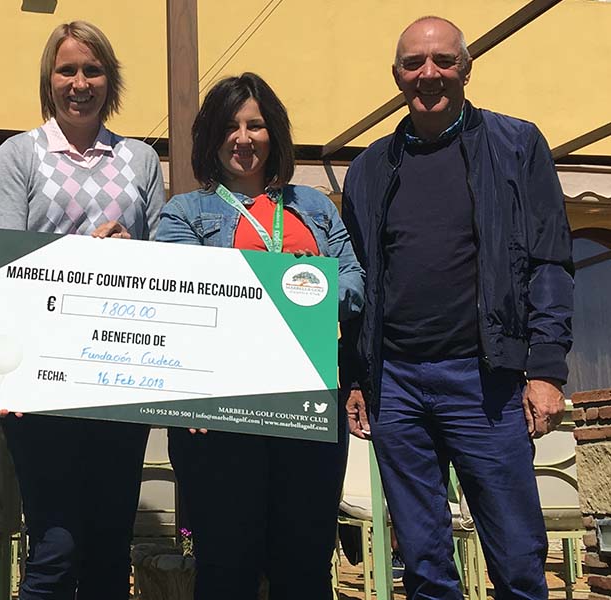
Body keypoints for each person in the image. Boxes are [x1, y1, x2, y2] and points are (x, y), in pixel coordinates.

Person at [341, 16, 573, 600]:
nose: (429, 74)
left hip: (485, 380)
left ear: (466, 69)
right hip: (396, 386)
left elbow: (549, 260)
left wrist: (546, 368)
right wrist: (356, 377)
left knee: (517, 558)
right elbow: (358, 281)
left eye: (444, 60)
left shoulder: (516, 145)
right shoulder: (368, 168)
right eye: (414, 63)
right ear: (396, 75)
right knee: (423, 563)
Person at [156, 72, 364, 600]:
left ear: (275, 133)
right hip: (221, 410)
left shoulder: (315, 206)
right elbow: (180, 302)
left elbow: (355, 283)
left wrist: (315, 288)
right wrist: (286, 286)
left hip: (308, 403)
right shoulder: (184, 213)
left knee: (305, 565)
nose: (243, 138)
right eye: (231, 126)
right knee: (227, 565)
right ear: (211, 136)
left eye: (256, 125)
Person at [0, 21, 165, 600]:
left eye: (92, 70)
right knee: (55, 547)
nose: (79, 83)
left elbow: (164, 267)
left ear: (110, 80)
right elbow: (1, 264)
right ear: (49, 80)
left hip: (120, 375)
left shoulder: (140, 160)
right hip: (41, 377)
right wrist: (83, 255)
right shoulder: (19, 155)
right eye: (67, 70)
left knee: (111, 547)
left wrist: (132, 254)